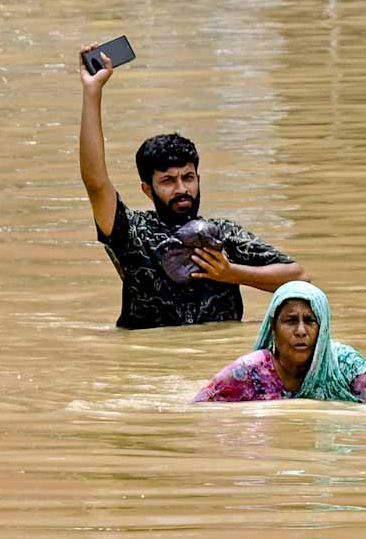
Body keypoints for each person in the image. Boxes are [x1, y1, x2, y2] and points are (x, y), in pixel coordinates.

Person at [78, 45, 306, 330]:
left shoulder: (222, 234)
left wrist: (231, 272)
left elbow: (299, 278)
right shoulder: (132, 233)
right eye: (168, 181)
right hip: (152, 363)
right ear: (147, 190)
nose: (182, 189)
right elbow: (96, 184)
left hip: (217, 360)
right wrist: (92, 92)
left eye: (188, 177)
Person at [193, 282, 366, 404]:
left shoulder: (346, 365)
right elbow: (201, 408)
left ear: (323, 329)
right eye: (290, 321)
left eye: (310, 321)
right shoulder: (247, 372)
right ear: (273, 327)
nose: (300, 331)